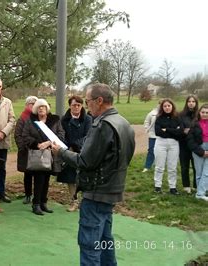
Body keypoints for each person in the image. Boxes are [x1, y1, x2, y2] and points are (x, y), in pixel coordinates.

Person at [51, 83, 135, 266]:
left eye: (87, 102)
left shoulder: (102, 125)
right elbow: (127, 157)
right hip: (112, 189)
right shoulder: (124, 122)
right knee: (105, 241)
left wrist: (61, 152)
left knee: (90, 245)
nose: (86, 106)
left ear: (99, 101)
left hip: (97, 191)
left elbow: (85, 161)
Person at [22, 98, 65, 215]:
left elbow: (61, 134)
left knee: (46, 179)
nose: (41, 109)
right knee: (39, 179)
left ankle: (43, 203)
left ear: (47, 109)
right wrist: (37, 144)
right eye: (39, 107)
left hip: (51, 154)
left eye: (43, 107)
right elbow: (25, 135)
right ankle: (36, 204)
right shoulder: (31, 121)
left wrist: (49, 143)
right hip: (37, 154)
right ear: (36, 109)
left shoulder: (55, 120)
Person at [57, 95, 91, 212]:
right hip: (68, 152)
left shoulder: (88, 119)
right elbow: (61, 135)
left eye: (78, 105)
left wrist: (76, 145)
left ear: (81, 106)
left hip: (83, 151)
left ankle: (85, 202)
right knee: (70, 178)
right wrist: (67, 147)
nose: (76, 107)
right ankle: (74, 201)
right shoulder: (64, 119)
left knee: (84, 178)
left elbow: (88, 136)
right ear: (70, 106)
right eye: (74, 105)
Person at [153, 98, 184, 195]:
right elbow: (158, 132)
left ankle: (172, 187)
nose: (167, 108)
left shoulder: (177, 117)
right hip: (161, 143)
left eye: (169, 106)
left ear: (172, 106)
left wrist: (166, 129)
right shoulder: (159, 118)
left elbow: (180, 132)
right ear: (162, 107)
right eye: (165, 106)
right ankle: (158, 186)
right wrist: (173, 131)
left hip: (174, 144)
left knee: (172, 167)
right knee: (159, 166)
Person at [14, 96, 38, 204]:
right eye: (31, 104)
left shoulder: (39, 117)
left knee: (38, 174)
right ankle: (28, 194)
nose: (33, 106)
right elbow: (18, 135)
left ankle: (37, 196)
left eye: (35, 104)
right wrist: (23, 147)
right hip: (26, 151)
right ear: (27, 105)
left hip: (38, 151)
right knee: (27, 175)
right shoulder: (22, 118)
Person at [187, 103, 208, 202]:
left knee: (207, 172)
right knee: (199, 172)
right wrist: (201, 152)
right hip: (198, 149)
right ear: (199, 112)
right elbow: (190, 141)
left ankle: (200, 193)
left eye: (207, 113)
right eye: (203, 112)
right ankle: (201, 193)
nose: (205, 114)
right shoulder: (194, 124)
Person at [179, 95, 199, 193]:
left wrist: (189, 130)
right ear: (186, 103)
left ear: (196, 103)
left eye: (193, 101)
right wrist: (186, 131)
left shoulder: (199, 115)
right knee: (184, 166)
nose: (191, 103)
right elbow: (181, 129)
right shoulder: (181, 115)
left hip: (196, 145)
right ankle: (186, 186)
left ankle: (196, 185)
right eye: (189, 101)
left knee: (196, 166)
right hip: (184, 144)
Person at [142, 104, 158, 172]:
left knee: (160, 151)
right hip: (153, 135)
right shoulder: (152, 113)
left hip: (162, 136)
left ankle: (157, 164)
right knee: (151, 150)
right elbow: (146, 122)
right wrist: (147, 129)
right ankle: (147, 166)